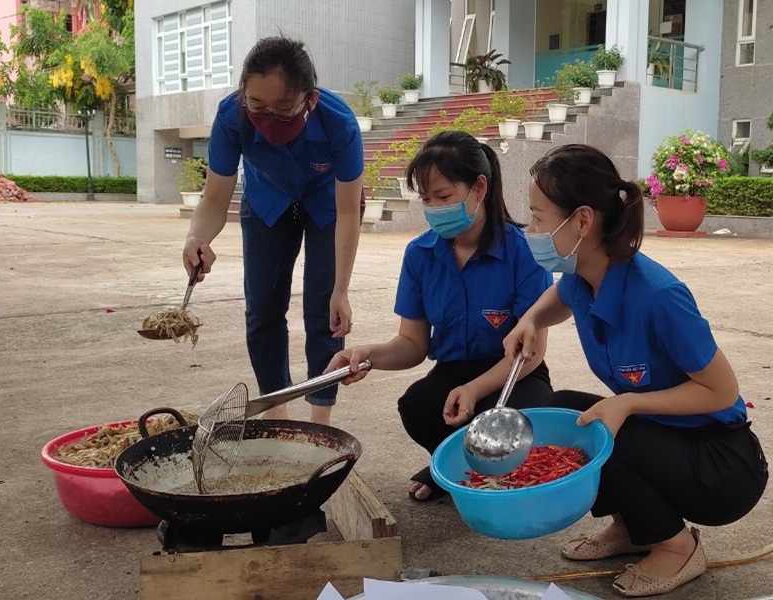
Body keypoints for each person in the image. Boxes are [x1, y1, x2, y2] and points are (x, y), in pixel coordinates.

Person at [503, 144, 768, 597]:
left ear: (582, 220)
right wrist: (528, 320)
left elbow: (722, 392)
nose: (532, 230)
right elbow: (560, 299)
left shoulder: (658, 295)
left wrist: (628, 402)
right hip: (665, 435)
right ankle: (632, 527)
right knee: (567, 409)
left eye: (539, 217)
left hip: (720, 462)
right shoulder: (584, 276)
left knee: (608, 427)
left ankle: (676, 546)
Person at [326, 131, 554, 501]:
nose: (434, 208)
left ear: (479, 188)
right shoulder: (420, 254)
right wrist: (366, 355)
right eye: (426, 199)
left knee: (525, 416)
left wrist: (476, 389)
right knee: (417, 406)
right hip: (453, 370)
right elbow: (412, 344)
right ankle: (454, 468)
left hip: (513, 372)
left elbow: (532, 354)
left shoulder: (524, 252)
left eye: (444, 197)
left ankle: (475, 472)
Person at [183, 36, 364, 425]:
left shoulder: (339, 124)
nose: (268, 120)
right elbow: (215, 199)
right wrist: (196, 239)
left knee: (325, 310)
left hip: (327, 208)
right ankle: (277, 415)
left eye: (284, 109)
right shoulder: (231, 118)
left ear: (309, 100)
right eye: (257, 107)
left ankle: (320, 422)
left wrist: (342, 288)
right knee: (263, 309)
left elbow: (349, 210)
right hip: (268, 205)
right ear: (243, 96)